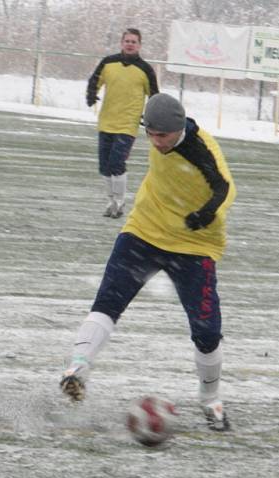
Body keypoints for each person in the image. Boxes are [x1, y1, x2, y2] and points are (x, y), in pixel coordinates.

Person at [60, 93, 237, 431]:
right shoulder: (162, 136)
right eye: (150, 134)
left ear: (178, 129)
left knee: (207, 331)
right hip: (145, 229)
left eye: (162, 136)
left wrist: (205, 213)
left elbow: (225, 189)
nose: (155, 143)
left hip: (193, 244)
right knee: (109, 300)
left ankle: (210, 399)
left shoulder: (201, 150)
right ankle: (77, 369)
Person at [86, 28, 159, 218]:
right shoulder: (109, 62)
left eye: (134, 41)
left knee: (117, 163)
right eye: (127, 41)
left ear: (139, 45)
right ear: (121, 43)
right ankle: (110, 202)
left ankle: (119, 203)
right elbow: (95, 80)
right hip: (106, 122)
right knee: (104, 166)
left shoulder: (145, 69)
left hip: (128, 125)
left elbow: (154, 95)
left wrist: (152, 117)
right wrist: (91, 95)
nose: (130, 44)